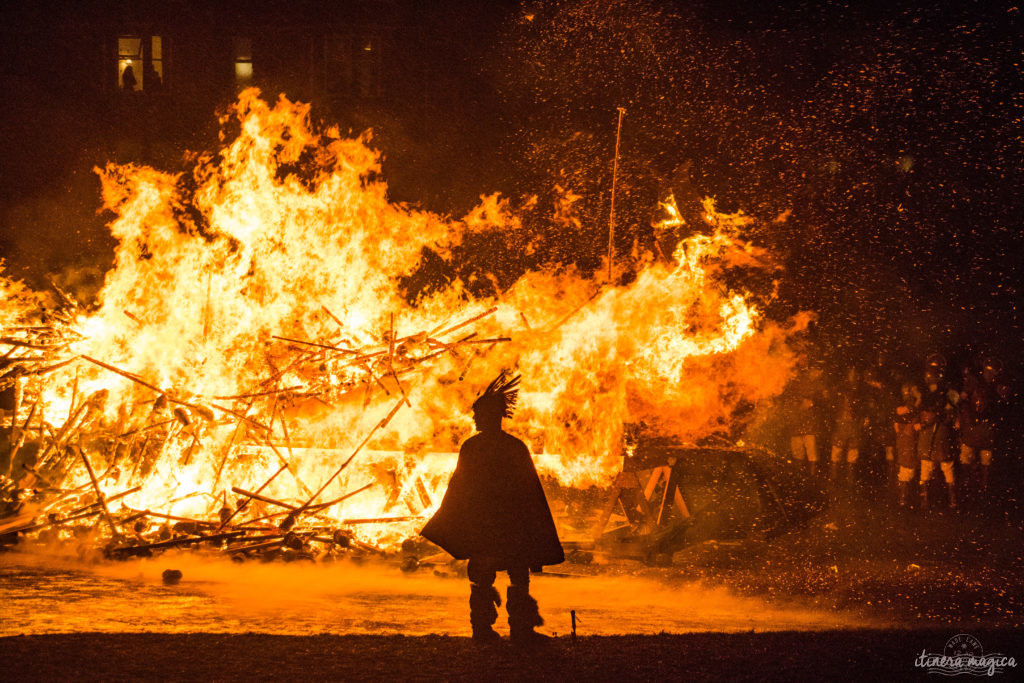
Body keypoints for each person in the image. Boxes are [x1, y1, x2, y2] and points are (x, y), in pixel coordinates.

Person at [420, 371, 564, 644]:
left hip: (485, 528)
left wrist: (454, 524)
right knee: (516, 575)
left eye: (478, 414)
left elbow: (460, 489)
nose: (474, 419)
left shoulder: (474, 448)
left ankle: (485, 630)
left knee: (486, 576)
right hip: (510, 528)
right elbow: (530, 494)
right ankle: (519, 630)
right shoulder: (513, 447)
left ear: (491, 416)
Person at [894, 382, 921, 508]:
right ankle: (904, 498)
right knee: (906, 467)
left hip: (910, 442)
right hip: (905, 442)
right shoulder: (902, 409)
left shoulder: (914, 411)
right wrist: (919, 399)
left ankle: (907, 498)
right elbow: (904, 412)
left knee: (911, 467)